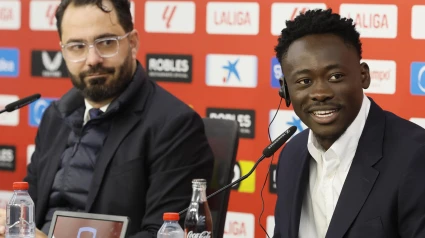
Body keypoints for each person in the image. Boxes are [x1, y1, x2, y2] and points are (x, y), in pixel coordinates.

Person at [0, 0, 214, 237]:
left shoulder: (175, 125)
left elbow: (163, 233)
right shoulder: (55, 116)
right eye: (77, 46)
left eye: (106, 42)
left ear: (132, 43)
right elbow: (29, 207)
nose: (92, 59)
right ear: (63, 52)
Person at [273, 8, 425, 238]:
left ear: (364, 75)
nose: (320, 93)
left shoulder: (415, 156)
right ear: (285, 91)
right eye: (304, 81)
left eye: (335, 76)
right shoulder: (291, 156)